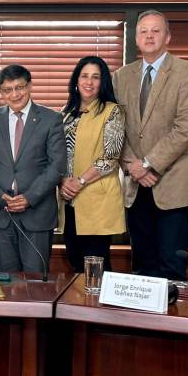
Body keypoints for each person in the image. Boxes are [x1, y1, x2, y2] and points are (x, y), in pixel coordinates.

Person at [113, 10, 188, 280]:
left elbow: (185, 128)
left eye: (156, 30)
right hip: (135, 185)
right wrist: (133, 167)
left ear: (168, 37)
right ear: (137, 39)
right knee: (142, 267)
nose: (149, 36)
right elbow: (115, 129)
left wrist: (148, 164)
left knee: (171, 268)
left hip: (173, 184)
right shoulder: (121, 76)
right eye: (143, 31)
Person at [0, 64, 66, 274]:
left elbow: (57, 166)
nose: (15, 94)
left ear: (30, 86)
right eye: (7, 90)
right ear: (1, 93)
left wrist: (29, 197)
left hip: (37, 214)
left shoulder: (51, 119)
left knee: (35, 284)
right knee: (4, 282)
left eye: (19, 87)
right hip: (1, 213)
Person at [59, 56, 126, 272]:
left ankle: (99, 307)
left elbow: (110, 157)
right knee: (76, 263)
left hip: (97, 202)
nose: (89, 82)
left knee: (97, 268)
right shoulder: (65, 114)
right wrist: (62, 182)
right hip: (69, 202)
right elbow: (56, 155)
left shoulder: (112, 111)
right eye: (84, 76)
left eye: (95, 77)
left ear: (103, 82)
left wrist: (79, 182)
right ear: (76, 81)